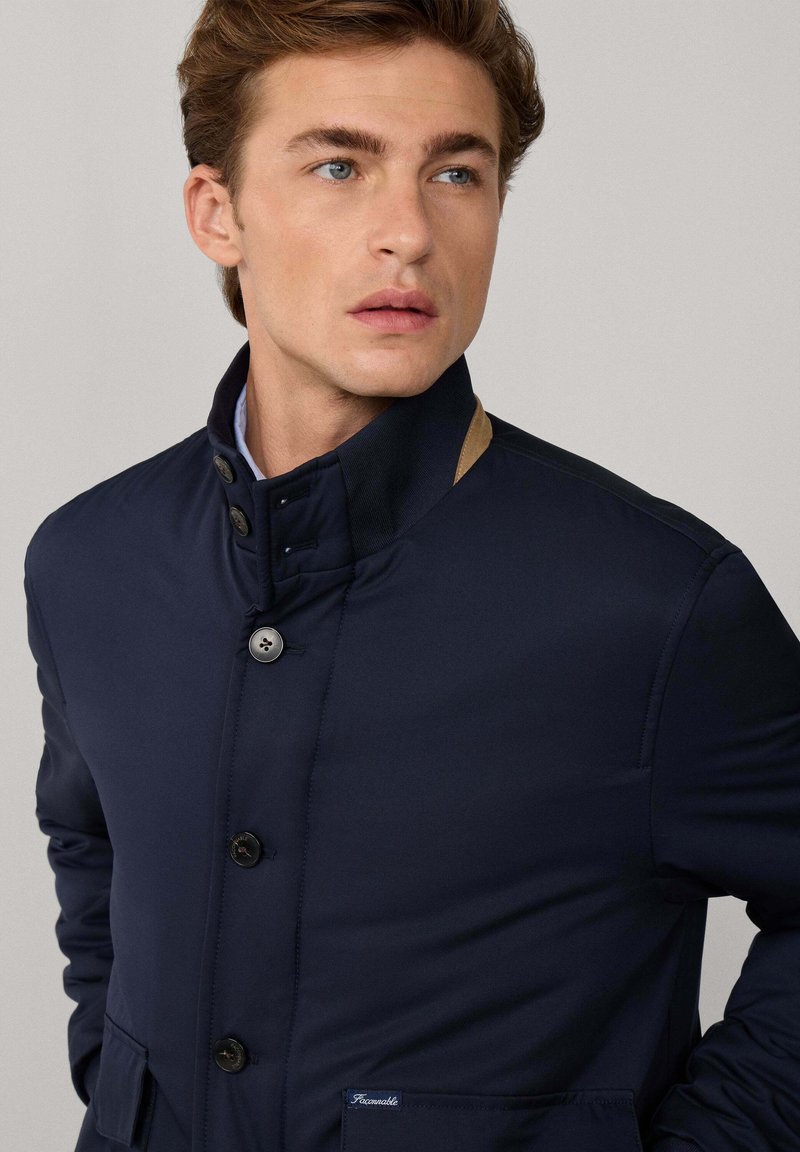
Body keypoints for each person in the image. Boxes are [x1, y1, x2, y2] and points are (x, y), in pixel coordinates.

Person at [24, 1, 800, 1150]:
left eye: (454, 173)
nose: (407, 233)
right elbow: (91, 843)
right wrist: (118, 1074)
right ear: (216, 213)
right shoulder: (88, 560)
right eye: (338, 166)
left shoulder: (653, 604)